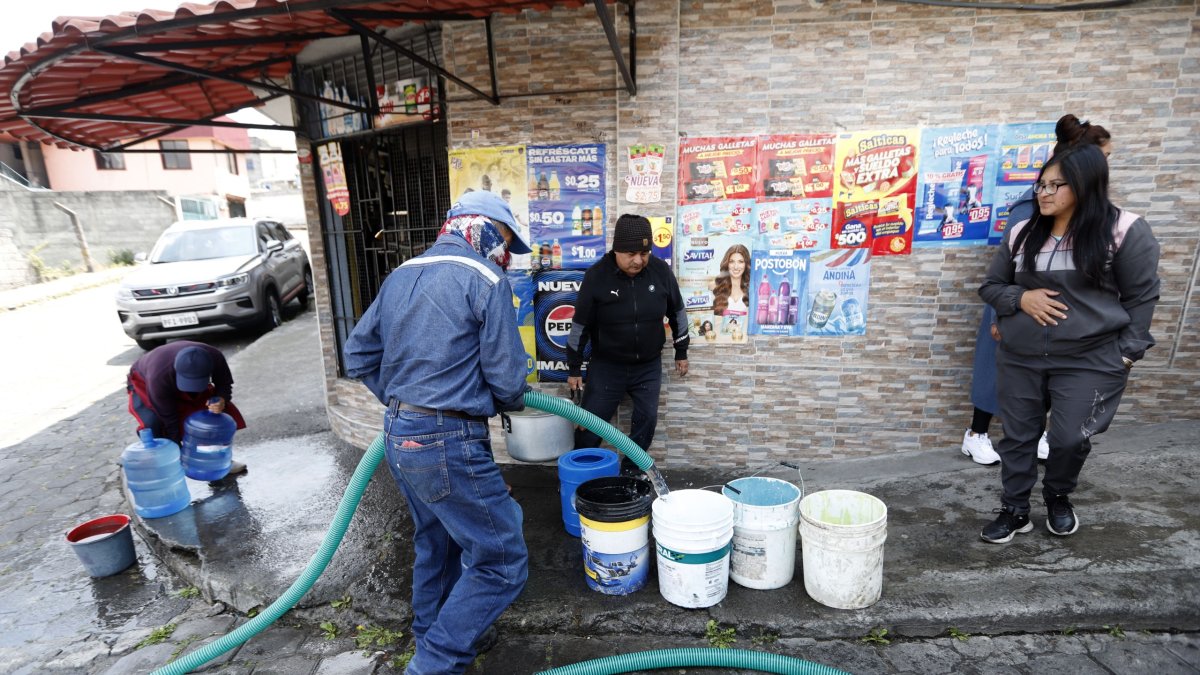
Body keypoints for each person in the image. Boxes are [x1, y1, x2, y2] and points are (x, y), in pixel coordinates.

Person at [343, 190, 532, 674]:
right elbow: (509, 383)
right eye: (506, 240)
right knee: (502, 558)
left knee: (437, 540)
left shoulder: (401, 274)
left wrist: (409, 403)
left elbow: (358, 354)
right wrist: (457, 403)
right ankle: (435, 662)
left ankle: (431, 633)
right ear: (485, 231)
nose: (506, 253)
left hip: (398, 433)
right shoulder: (486, 277)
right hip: (449, 441)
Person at [978, 144, 1159, 543]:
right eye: (1041, 184)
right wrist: (1020, 298)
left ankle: (1058, 495)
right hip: (1021, 357)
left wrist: (1127, 355)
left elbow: (1142, 297)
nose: (1043, 193)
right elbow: (991, 286)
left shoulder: (1124, 231)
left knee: (1069, 438)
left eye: (1055, 185)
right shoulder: (1022, 233)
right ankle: (1016, 508)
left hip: (1090, 359)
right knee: (1018, 436)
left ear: (1085, 185)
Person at [962, 114, 1113, 465]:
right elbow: (1000, 278)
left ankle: (1039, 436)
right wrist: (1010, 307)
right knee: (996, 372)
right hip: (1016, 306)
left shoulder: (1104, 220)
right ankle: (977, 434)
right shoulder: (1030, 212)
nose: (1106, 168)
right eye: (1103, 159)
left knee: (1048, 380)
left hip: (1060, 317)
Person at [567, 214, 689, 474]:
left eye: (644, 253)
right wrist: (574, 367)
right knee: (589, 424)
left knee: (647, 421)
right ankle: (580, 475)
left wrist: (682, 350)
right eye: (632, 253)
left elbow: (677, 311)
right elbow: (580, 326)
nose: (639, 260)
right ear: (616, 249)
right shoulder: (597, 276)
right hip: (606, 366)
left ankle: (630, 474)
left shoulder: (660, 271)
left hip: (647, 366)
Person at [126, 341, 248, 473]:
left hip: (170, 376)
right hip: (144, 381)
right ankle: (162, 464)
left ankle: (217, 462)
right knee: (154, 423)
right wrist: (177, 451)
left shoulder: (215, 357)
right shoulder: (159, 375)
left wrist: (221, 399)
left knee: (208, 419)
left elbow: (224, 383)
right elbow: (168, 416)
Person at [711, 244, 751, 317]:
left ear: (746, 264)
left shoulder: (752, 291)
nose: (736, 267)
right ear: (727, 264)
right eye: (732, 261)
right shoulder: (715, 288)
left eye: (740, 262)